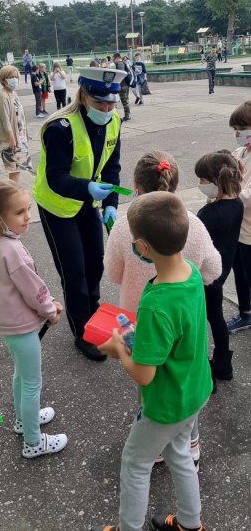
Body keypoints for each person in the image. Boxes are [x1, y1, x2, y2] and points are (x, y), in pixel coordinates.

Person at [92, 191, 211, 531]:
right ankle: (190, 524)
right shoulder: (188, 272)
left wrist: (119, 351)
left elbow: (144, 375)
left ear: (142, 248)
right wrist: (134, 336)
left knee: (135, 463)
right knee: (179, 455)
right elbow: (176, 335)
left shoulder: (157, 303)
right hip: (193, 390)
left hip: (165, 403)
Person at [104, 150, 221, 465]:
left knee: (149, 382)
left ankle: (153, 444)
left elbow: (113, 273)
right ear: (175, 183)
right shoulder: (191, 223)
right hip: (185, 324)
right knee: (184, 379)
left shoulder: (123, 227)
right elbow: (214, 270)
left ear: (136, 186)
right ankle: (190, 442)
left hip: (137, 322)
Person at [0, 180, 68, 459]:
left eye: (28, 209)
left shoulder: (1, 242)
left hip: (10, 326)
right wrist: (49, 309)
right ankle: (33, 442)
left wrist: (46, 305)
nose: (28, 217)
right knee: (32, 381)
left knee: (21, 376)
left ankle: (25, 420)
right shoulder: (14, 250)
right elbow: (33, 289)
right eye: (20, 212)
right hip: (21, 328)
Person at [33, 66, 126, 361]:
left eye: (112, 103)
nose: (107, 109)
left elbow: (112, 167)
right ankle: (82, 332)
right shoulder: (59, 128)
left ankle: (92, 311)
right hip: (57, 205)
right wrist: (88, 188)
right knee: (74, 271)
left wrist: (111, 201)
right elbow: (56, 177)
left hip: (88, 201)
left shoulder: (113, 122)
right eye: (101, 103)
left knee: (95, 264)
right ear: (84, 96)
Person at [195, 152, 243, 380]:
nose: (199, 185)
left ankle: (204, 371)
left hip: (204, 275)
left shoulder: (209, 214)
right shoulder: (238, 203)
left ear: (216, 181)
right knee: (217, 318)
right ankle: (224, 365)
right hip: (221, 271)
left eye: (202, 180)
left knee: (199, 321)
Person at [227, 101, 251, 332]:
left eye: (242, 128)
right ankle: (245, 313)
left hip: (250, 234)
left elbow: (247, 196)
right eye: (235, 128)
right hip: (237, 229)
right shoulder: (239, 153)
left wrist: (225, 196)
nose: (238, 134)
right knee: (240, 276)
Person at [0, 65, 32, 183]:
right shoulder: (2, 96)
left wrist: (25, 135)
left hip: (20, 137)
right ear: (3, 79)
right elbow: (5, 119)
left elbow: (20, 116)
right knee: (13, 170)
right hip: (10, 139)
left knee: (17, 168)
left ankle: (14, 192)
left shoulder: (14, 94)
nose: (14, 79)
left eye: (16, 77)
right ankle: (13, 194)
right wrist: (11, 138)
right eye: (11, 77)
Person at [113, 52, 131, 122]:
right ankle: (128, 115)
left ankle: (127, 116)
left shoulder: (120, 64)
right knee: (126, 100)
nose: (113, 61)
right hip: (125, 84)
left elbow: (121, 75)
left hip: (123, 85)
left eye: (114, 59)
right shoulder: (122, 63)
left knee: (124, 101)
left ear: (117, 58)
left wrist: (118, 83)